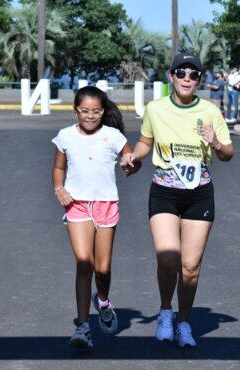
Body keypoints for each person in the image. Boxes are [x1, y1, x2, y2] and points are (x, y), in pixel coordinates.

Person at [120, 53, 234, 347]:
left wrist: (216, 143)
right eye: (181, 72)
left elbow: (228, 153)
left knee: (191, 266)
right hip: (165, 191)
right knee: (168, 257)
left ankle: (184, 322)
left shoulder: (209, 111)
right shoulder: (155, 109)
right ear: (171, 76)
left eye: (193, 74)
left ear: (199, 79)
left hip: (199, 193)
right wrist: (135, 155)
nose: (186, 78)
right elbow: (146, 142)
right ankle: (165, 312)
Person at [51, 86, 140, 349]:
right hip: (76, 204)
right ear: (76, 110)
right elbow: (58, 167)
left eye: (96, 112)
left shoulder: (113, 136)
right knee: (84, 263)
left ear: (103, 112)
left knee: (102, 269)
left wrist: (130, 165)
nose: (90, 116)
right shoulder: (65, 136)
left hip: (106, 205)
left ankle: (102, 301)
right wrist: (59, 188)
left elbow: (133, 161)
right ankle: (82, 327)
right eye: (85, 111)